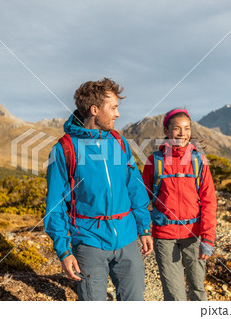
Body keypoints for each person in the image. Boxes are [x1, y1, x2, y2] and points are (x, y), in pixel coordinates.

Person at [44, 77, 153, 301]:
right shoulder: (64, 149)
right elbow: (55, 206)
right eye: (113, 108)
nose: (118, 114)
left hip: (127, 237)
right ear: (95, 109)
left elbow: (134, 188)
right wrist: (64, 251)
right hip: (88, 241)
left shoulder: (119, 142)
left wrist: (143, 228)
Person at [142, 108, 217, 301]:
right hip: (164, 236)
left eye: (187, 128)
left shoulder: (199, 161)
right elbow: (141, 198)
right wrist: (145, 229)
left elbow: (209, 201)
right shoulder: (154, 161)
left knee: (198, 290)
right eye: (177, 129)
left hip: (194, 234)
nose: (182, 133)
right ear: (166, 131)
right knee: (174, 296)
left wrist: (208, 237)